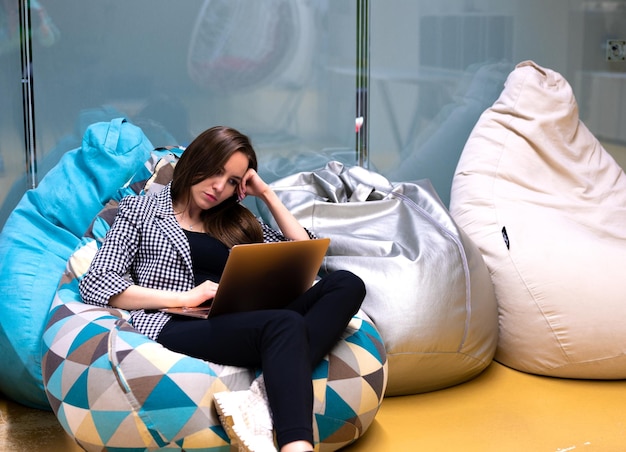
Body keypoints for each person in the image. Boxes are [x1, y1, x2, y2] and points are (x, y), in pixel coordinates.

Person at [79, 126, 366, 452]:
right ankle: (295, 445)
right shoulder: (140, 211)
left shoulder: (236, 221)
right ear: (194, 161)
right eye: (215, 172)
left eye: (232, 180)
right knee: (286, 324)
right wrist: (186, 298)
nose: (219, 187)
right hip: (179, 322)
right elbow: (97, 282)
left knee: (347, 283)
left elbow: (304, 256)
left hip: (251, 319)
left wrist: (267, 194)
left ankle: (260, 398)